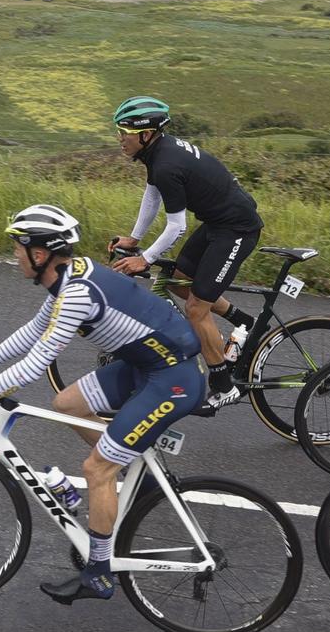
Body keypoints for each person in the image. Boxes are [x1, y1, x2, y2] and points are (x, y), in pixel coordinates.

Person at [0, 204, 203, 606]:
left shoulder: (76, 294)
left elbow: (33, 366)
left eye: (18, 248)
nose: (15, 256)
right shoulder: (70, 277)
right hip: (147, 364)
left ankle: (98, 574)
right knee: (69, 403)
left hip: (172, 379)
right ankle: (138, 478)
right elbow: (33, 332)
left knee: (97, 468)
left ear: (40, 254)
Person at [104, 96, 262, 411]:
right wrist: (134, 238)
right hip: (217, 222)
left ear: (145, 135)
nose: (120, 139)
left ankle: (222, 384)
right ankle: (244, 322)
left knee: (196, 309)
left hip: (237, 229)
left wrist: (144, 259)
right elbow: (152, 195)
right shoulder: (158, 153)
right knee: (177, 282)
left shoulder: (165, 162)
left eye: (124, 132)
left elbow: (176, 226)